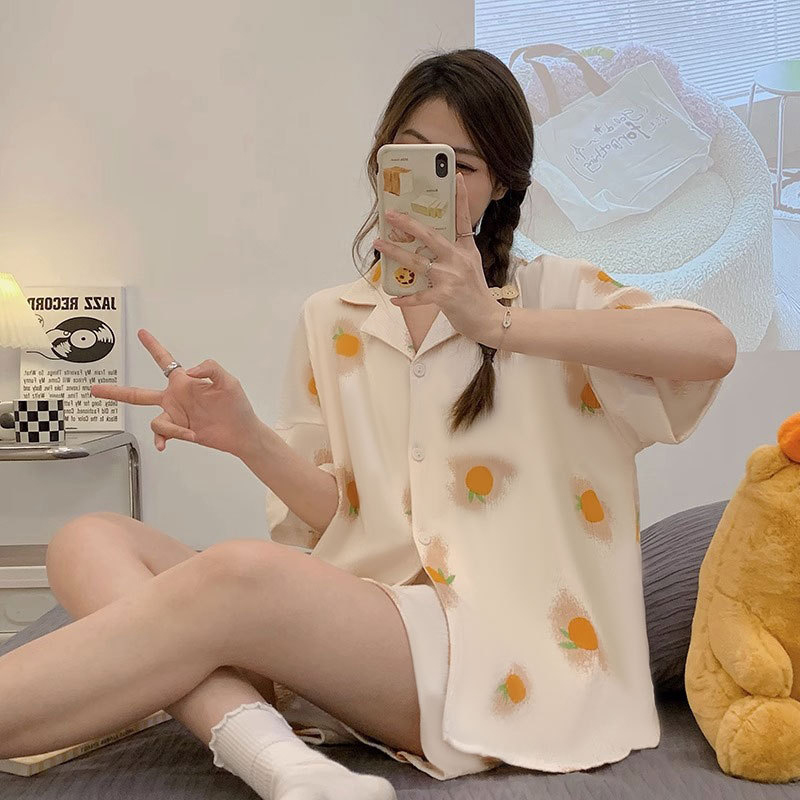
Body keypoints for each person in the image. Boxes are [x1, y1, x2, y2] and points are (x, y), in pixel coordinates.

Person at [0, 48, 736, 800]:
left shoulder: (553, 296)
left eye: (459, 166)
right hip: (361, 634)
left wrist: (497, 324)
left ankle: (242, 730)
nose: (430, 184)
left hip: (500, 656)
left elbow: (711, 346)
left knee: (238, 574)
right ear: (381, 161)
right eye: (409, 156)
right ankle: (279, 761)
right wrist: (247, 438)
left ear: (501, 185)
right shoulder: (333, 318)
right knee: (88, 539)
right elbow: (344, 518)